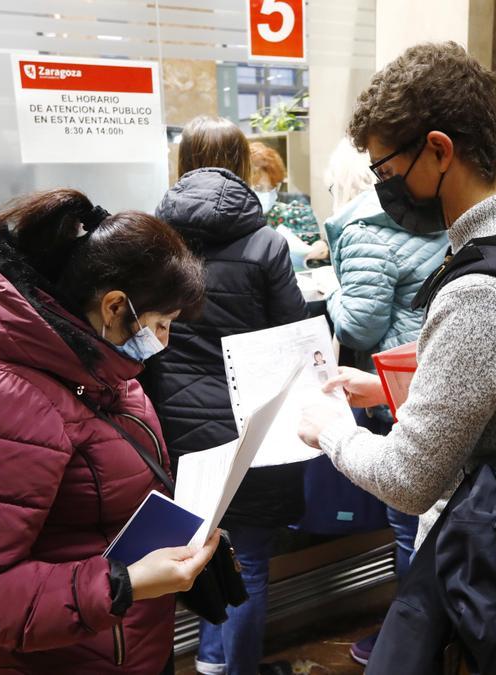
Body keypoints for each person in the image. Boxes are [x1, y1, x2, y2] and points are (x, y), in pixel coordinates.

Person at [298, 42, 496, 563]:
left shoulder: (481, 293)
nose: (384, 189)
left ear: (439, 150)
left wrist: (332, 431)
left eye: (385, 171)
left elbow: (409, 481)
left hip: (486, 558)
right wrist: (393, 392)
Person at [0, 190, 216, 675]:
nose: (164, 340)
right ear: (116, 307)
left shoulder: (98, 369)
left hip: (120, 643)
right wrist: (123, 585)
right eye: (160, 324)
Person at [142, 116, 306, 675]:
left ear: (183, 163)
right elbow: (292, 334)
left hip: (172, 424)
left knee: (189, 553)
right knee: (250, 562)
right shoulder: (266, 243)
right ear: (240, 163)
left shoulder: (151, 241)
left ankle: (208, 662)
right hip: (249, 426)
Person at [316, 136, 449, 665]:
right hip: (424, 370)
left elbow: (361, 321)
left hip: (395, 381)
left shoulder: (362, 229)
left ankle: (407, 632)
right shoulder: (436, 217)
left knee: (407, 515)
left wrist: (331, 290)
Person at [249, 141, 328, 270]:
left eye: (272, 187)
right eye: (258, 187)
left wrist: (320, 249)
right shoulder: (235, 220)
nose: (266, 192)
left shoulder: (295, 213)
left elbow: (316, 254)